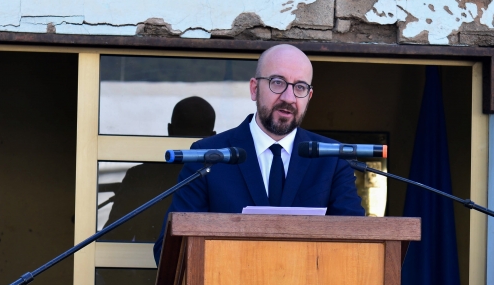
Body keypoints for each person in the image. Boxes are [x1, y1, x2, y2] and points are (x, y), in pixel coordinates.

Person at [153, 44, 364, 263]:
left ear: (309, 96)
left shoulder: (332, 158)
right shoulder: (209, 156)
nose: (289, 97)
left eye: (300, 87)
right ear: (254, 89)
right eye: (277, 83)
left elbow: (359, 245)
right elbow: (169, 252)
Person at [101, 96, 217, 242]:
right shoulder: (222, 178)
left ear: (169, 130)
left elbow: (114, 236)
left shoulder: (139, 176)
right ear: (213, 136)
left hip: (146, 262)